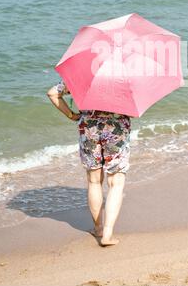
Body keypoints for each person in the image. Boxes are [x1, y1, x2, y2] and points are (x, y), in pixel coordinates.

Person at [47, 79, 131, 247]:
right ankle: (107, 234)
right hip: (117, 130)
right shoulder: (124, 76)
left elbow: (53, 93)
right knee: (116, 183)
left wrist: (72, 115)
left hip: (89, 129)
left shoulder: (82, 73)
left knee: (94, 181)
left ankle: (98, 229)